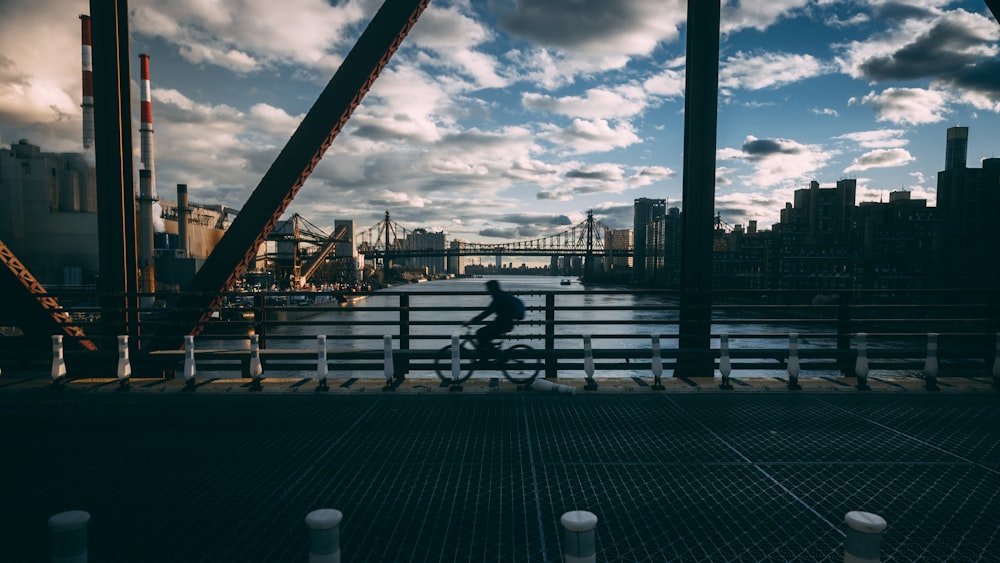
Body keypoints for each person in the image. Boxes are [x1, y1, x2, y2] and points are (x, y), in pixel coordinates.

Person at [464, 280, 517, 358]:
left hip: (503, 324)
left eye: (488, 289)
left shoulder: (498, 298)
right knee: (485, 336)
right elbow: (488, 312)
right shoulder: (500, 296)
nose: (487, 291)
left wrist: (472, 321)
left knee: (480, 333)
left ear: (492, 289)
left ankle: (487, 358)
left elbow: (486, 313)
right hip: (505, 323)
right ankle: (493, 354)